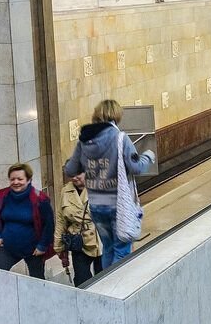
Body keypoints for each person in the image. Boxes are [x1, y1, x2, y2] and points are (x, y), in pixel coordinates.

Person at [65, 99, 156, 268]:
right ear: (116, 116)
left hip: (96, 206)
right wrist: (148, 156)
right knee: (121, 249)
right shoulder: (120, 138)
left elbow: (70, 169)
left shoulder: (84, 141)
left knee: (108, 248)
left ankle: (106, 284)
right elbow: (136, 167)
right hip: (118, 206)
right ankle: (116, 287)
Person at [0, 163, 55, 279]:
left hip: (33, 250)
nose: (16, 182)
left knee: (37, 281)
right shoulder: (3, 196)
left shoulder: (40, 199)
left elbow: (49, 225)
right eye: (12, 179)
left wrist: (42, 246)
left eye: (20, 179)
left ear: (29, 179)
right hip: (8, 247)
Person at [54, 171, 101, 286]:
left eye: (78, 174)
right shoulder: (65, 191)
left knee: (105, 278)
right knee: (82, 281)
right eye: (72, 174)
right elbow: (61, 220)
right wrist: (59, 246)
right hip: (78, 240)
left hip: (101, 238)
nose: (74, 178)